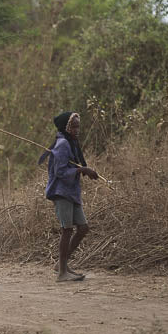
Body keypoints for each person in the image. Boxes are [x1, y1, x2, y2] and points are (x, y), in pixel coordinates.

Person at [40, 111, 98, 282]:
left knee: (83, 228)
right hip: (61, 191)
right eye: (73, 126)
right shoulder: (63, 144)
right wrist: (82, 170)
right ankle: (62, 273)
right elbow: (60, 172)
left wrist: (83, 169)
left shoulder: (71, 143)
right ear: (65, 127)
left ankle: (61, 265)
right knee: (67, 229)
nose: (76, 129)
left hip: (71, 192)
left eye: (78, 126)